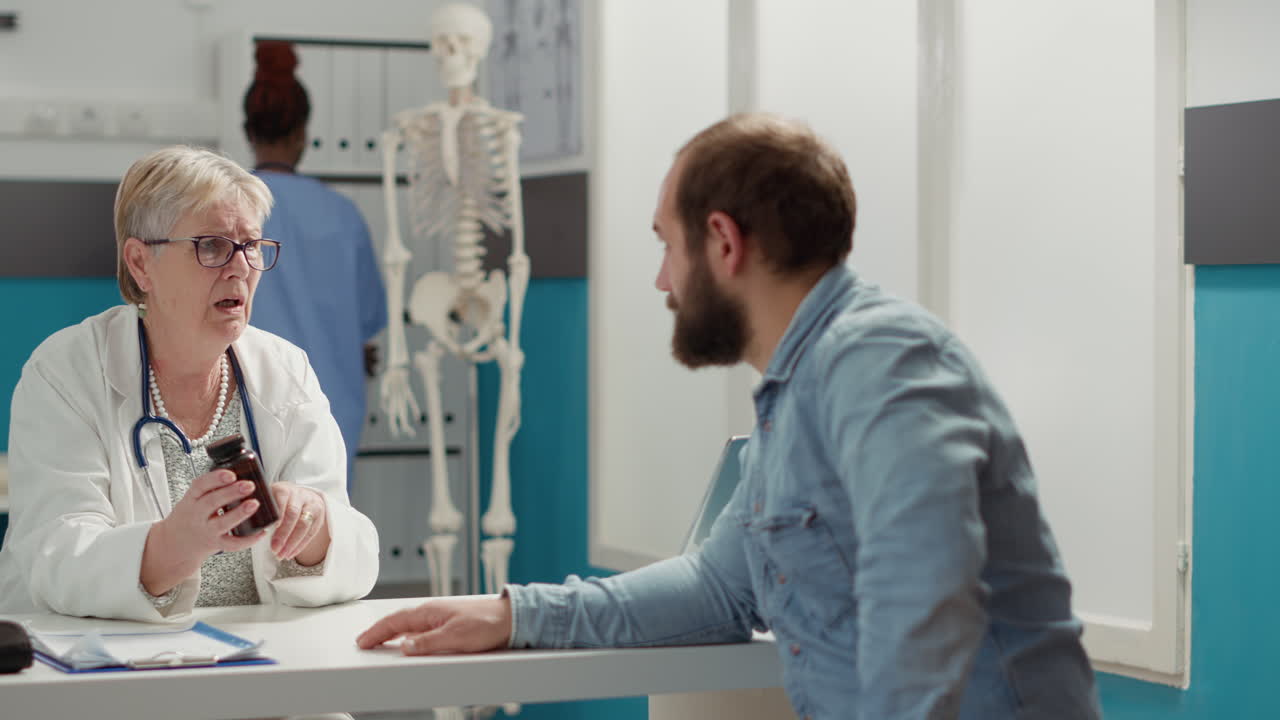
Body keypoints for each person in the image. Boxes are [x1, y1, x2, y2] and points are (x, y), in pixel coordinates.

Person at [357, 114, 1102, 719]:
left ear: (722, 242)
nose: (662, 280)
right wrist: (515, 615)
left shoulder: (879, 360)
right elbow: (718, 588)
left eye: (666, 246)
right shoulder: (796, 389)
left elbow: (926, 603)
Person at [0, 146, 379, 621]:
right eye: (213, 246)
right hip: (99, 675)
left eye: (251, 246)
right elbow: (55, 557)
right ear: (140, 264)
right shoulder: (67, 372)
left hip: (259, 670)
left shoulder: (284, 369)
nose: (241, 267)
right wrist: (172, 546)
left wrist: (315, 531)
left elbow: (355, 556)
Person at [242, 40, 387, 476]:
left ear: (248, 133)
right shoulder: (343, 216)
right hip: (331, 413)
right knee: (324, 537)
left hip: (244, 411)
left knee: (241, 538)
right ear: (304, 133)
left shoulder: (224, 210)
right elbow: (366, 332)